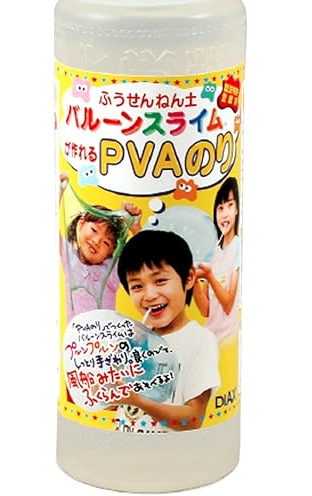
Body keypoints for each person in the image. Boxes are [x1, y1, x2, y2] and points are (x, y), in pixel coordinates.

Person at [114, 230, 220, 433]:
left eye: (160, 281)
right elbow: (115, 403)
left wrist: (138, 400)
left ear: (189, 278)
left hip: (175, 449)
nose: (150, 295)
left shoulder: (200, 341)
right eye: (137, 286)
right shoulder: (135, 339)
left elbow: (193, 419)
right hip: (124, 446)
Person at [59, 171, 141, 322]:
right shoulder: (69, 256)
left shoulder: (112, 269)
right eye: (94, 230)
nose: (97, 241)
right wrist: (58, 190)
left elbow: (146, 253)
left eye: (106, 243)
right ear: (81, 224)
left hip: (107, 334)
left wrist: (134, 226)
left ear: (110, 252)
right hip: (76, 334)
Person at [193, 177, 241, 343]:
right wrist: (192, 279)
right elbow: (206, 310)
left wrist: (209, 276)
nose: (224, 213)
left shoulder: (238, 246)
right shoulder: (212, 252)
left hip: (227, 338)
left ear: (237, 209)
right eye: (220, 208)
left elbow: (228, 305)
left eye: (230, 205)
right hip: (209, 337)